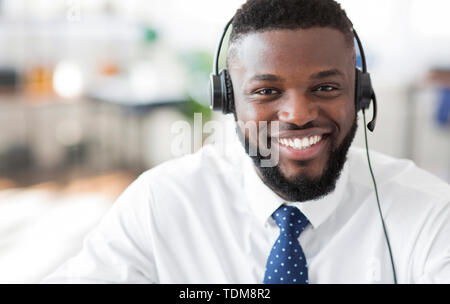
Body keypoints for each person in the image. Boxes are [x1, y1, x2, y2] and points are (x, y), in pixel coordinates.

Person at [43, 0, 450, 284]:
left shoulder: (428, 213)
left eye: (325, 87)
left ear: (360, 95)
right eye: (266, 92)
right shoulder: (161, 203)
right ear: (228, 100)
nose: (298, 113)